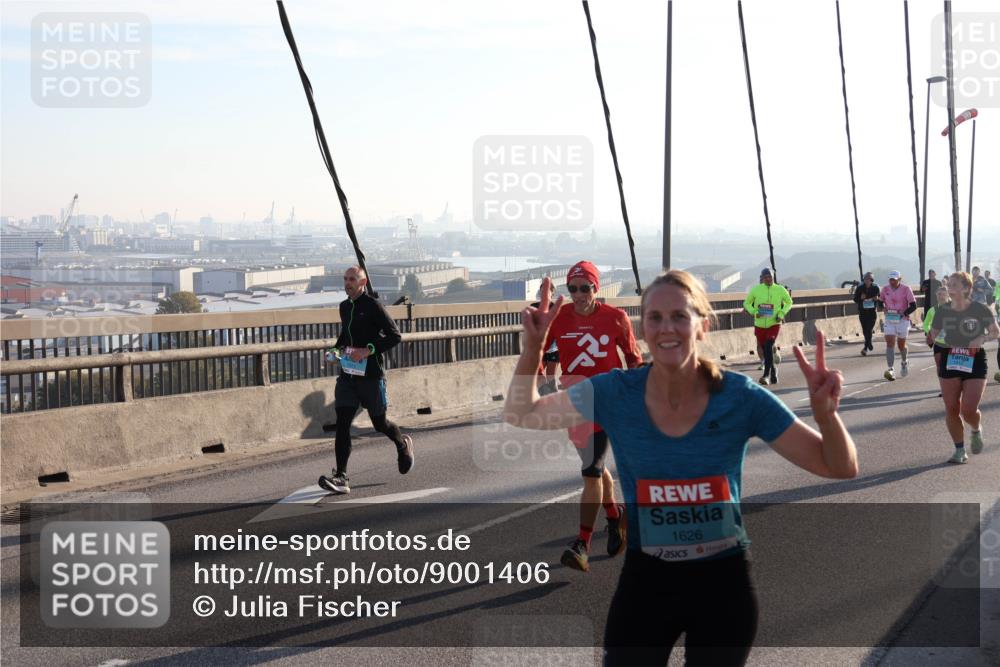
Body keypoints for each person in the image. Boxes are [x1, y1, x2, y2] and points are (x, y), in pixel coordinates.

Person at [504, 270, 857, 666]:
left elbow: (839, 467)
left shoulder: (739, 396)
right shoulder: (615, 391)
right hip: (647, 582)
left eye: (679, 316)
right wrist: (533, 346)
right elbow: (523, 413)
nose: (666, 327)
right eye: (655, 317)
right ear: (642, 328)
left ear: (703, 325)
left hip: (723, 587)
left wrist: (826, 416)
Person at [542, 261, 642, 572]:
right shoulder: (560, 319)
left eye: (585, 288)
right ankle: (614, 515)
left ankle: (582, 544)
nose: (579, 294)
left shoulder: (615, 318)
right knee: (593, 468)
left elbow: (633, 357)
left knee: (591, 470)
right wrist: (546, 385)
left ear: (596, 288)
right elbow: (545, 354)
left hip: (607, 401)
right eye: (573, 289)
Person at [319, 266, 414, 494]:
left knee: (379, 423)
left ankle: (402, 445)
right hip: (349, 376)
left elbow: (394, 336)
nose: (347, 283)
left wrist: (368, 350)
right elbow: (345, 336)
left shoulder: (373, 306)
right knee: (343, 422)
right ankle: (341, 476)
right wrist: (335, 351)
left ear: (362, 283)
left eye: (352, 279)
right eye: (345, 279)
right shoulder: (344, 307)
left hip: (371, 376)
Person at [927, 272, 1000, 463]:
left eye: (954, 284)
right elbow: (934, 335)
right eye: (948, 284)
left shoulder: (980, 309)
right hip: (950, 359)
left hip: (975, 359)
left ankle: (976, 429)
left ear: (966, 288)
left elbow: (995, 332)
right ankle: (959, 450)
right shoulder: (943, 311)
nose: (949, 287)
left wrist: (981, 338)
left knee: (968, 409)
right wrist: (941, 341)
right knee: (951, 408)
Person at [743, 268, 793, 385]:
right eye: (765, 277)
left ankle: (766, 376)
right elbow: (746, 303)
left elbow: (789, 302)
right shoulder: (756, 290)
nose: (768, 279)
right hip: (760, 324)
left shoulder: (780, 289)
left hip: (774, 323)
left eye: (770, 276)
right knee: (766, 350)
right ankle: (774, 370)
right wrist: (754, 312)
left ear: (773, 277)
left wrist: (781, 313)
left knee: (769, 344)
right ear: (762, 278)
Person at [878, 270, 917, 381]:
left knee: (901, 346)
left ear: (899, 279)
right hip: (890, 319)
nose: (892, 282)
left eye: (894, 280)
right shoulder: (885, 289)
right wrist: (883, 308)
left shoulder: (906, 289)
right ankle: (891, 369)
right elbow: (880, 302)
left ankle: (904, 362)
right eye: (890, 279)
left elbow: (913, 305)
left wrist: (903, 313)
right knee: (890, 344)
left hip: (902, 320)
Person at [853, 272, 880, 355]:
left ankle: (866, 347)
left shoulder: (876, 288)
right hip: (863, 311)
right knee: (865, 330)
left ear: (871, 280)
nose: (867, 281)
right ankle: (869, 342)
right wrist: (861, 298)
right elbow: (855, 299)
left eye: (869, 279)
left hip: (872, 312)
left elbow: (881, 298)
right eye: (865, 279)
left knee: (869, 329)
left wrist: (877, 298)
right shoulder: (860, 288)